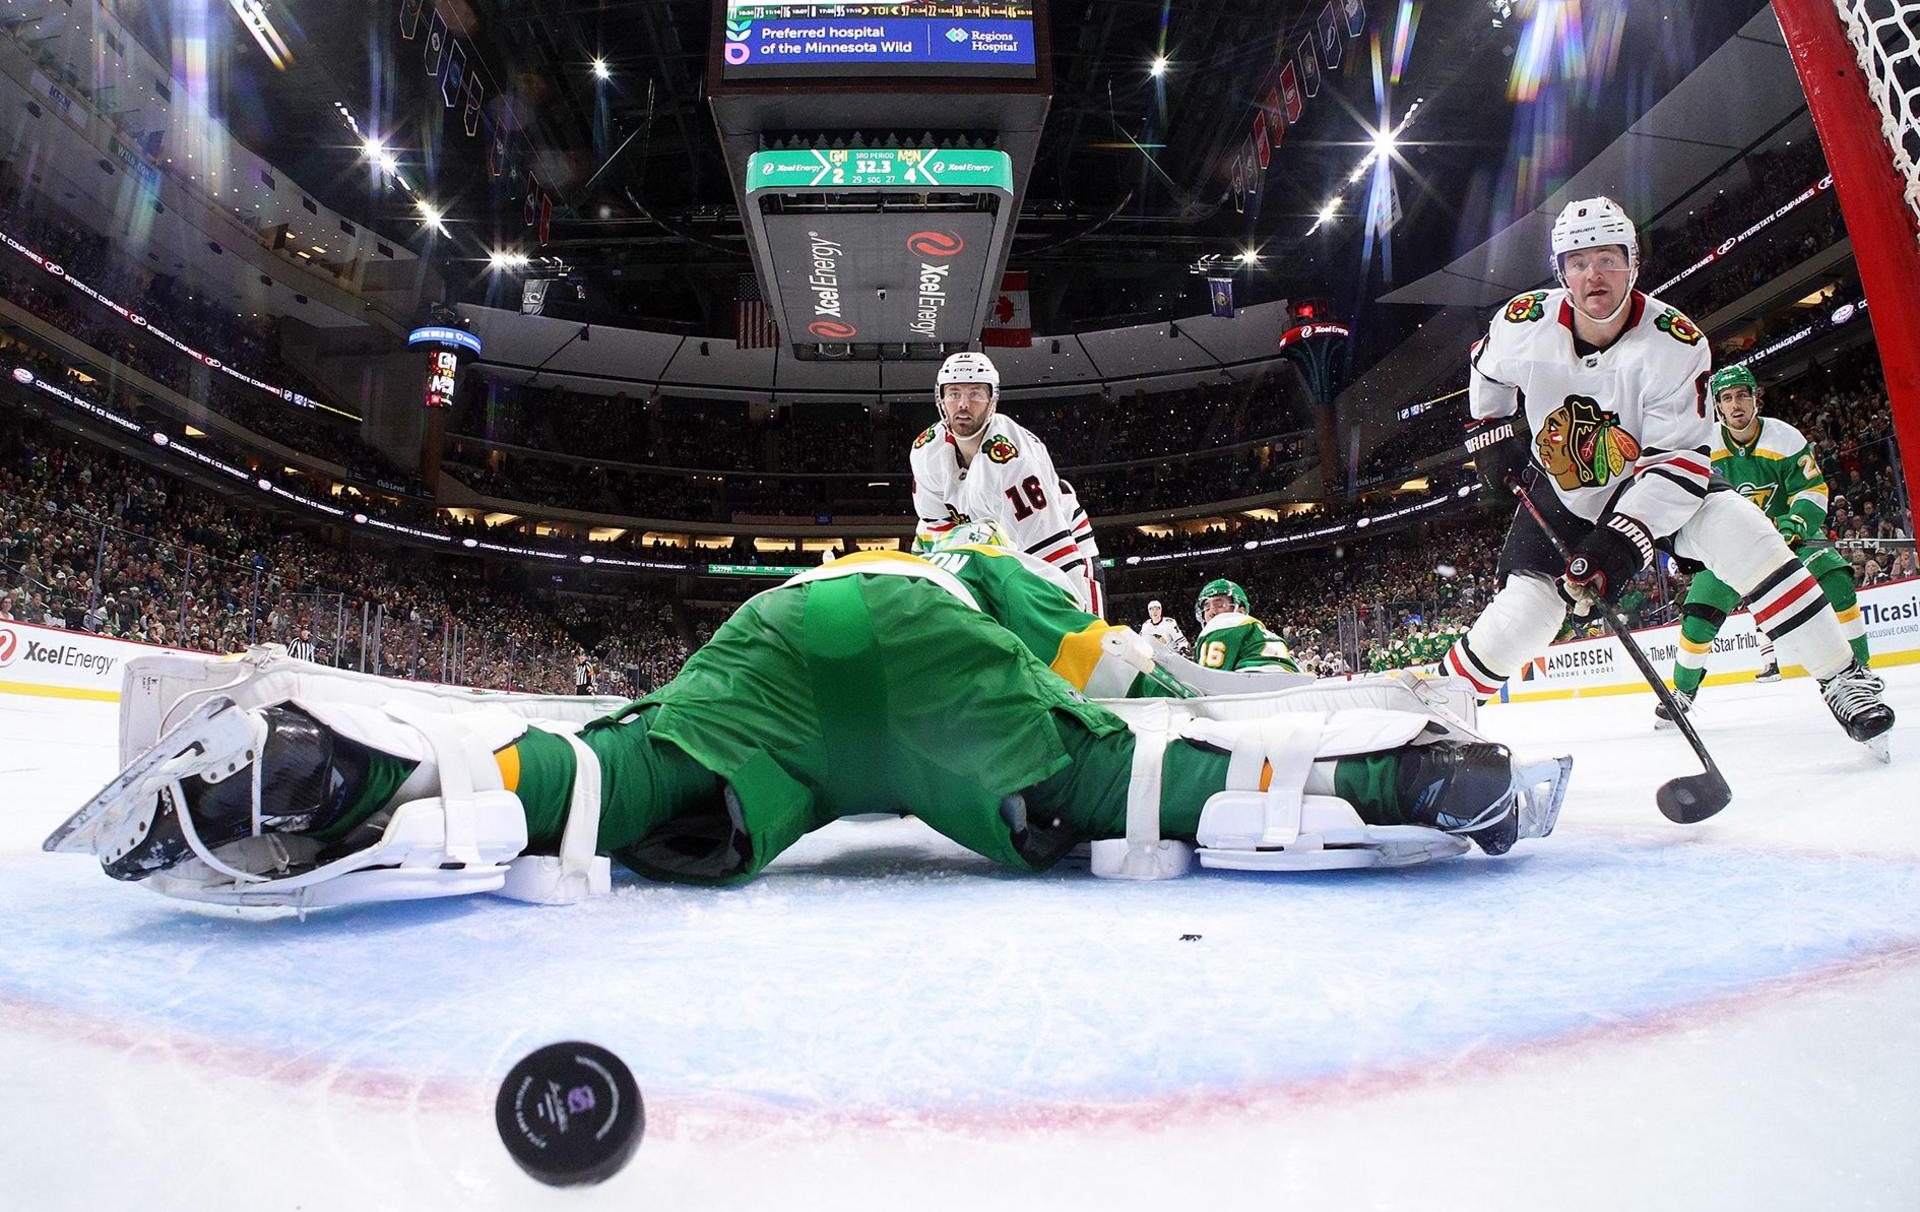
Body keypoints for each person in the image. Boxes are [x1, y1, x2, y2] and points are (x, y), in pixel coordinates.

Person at [49, 526, 1570, 909]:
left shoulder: (811, 570)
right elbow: (1113, 674)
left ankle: (340, 775)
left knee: (620, 775)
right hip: (941, 667)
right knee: (1136, 784)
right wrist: (1189, 692)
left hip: (770, 659)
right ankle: (1403, 780)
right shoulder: (981, 561)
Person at [1443, 196, 1892, 754]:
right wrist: (1488, 431)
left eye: (1607, 258)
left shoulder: (1675, 343)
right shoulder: (1523, 322)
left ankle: (1843, 674)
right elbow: (1485, 368)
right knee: (1527, 616)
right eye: (1578, 262)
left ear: (1633, 263)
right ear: (1561, 273)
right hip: (1563, 491)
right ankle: (1437, 711)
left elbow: (1678, 465)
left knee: (1744, 534)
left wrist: (1620, 544)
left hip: (1654, 478)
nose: (1593, 275)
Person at [1665, 364, 1872, 710]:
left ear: (1755, 399)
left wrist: (1797, 522)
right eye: (1727, 398)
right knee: (1698, 620)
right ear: (1717, 407)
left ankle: (1860, 674)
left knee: (1837, 581)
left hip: (1786, 538)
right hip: (1728, 547)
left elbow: (1811, 489)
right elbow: (1685, 497)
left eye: (1743, 395)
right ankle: (1683, 692)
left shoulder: (1785, 437)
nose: (1736, 405)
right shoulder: (1703, 445)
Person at [911, 351, 1103, 614]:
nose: (963, 404)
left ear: (992, 400)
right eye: (954, 393)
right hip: (994, 549)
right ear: (941, 398)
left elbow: (1053, 554)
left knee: (1083, 641)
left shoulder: (1013, 461)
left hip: (1061, 546)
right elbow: (934, 532)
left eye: (975, 393)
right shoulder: (926, 450)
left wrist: (1076, 621)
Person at [1191, 578, 1303, 675]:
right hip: (1290, 679)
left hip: (1253, 679)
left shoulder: (1225, 624)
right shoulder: (1262, 632)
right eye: (1207, 607)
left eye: (1220, 605)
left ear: (1240, 611)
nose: (1212, 612)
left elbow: (1210, 678)